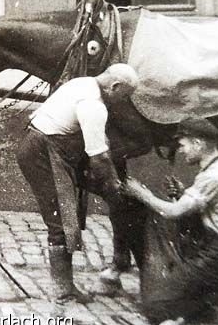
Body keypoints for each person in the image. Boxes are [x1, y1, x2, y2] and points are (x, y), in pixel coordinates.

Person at [16, 63, 139, 303]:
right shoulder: (93, 105)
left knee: (64, 216)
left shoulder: (81, 83)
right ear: (115, 86)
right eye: (125, 97)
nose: (123, 102)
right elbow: (99, 157)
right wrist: (114, 185)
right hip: (44, 152)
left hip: (38, 144)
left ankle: (65, 287)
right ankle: (64, 291)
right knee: (62, 220)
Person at [119, 116, 218, 325]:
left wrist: (141, 193)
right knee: (172, 291)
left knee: (156, 309)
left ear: (198, 144)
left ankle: (217, 296)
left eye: (183, 145)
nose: (181, 151)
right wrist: (182, 193)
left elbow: (173, 212)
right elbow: (207, 205)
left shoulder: (212, 177)